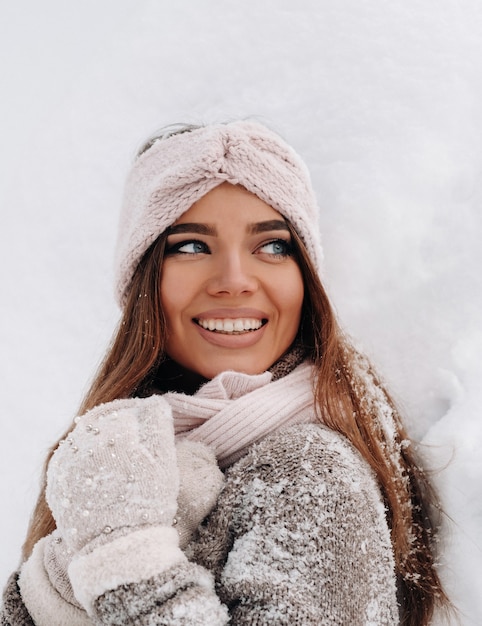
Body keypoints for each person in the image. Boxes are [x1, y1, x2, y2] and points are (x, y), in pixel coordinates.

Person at [1, 120, 449, 625]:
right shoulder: (117, 453)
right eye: (191, 245)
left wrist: (126, 559)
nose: (235, 281)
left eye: (273, 246)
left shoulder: (309, 471)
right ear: (144, 282)